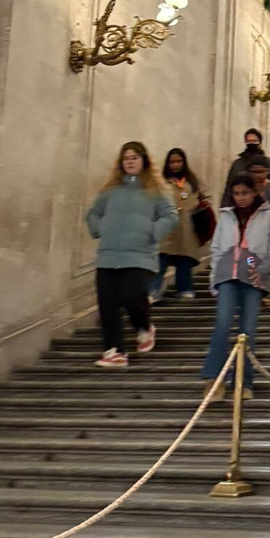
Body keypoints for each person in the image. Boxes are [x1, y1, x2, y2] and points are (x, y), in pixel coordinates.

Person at [86, 141, 178, 368]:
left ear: (144, 161)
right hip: (109, 256)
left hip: (140, 255)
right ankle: (114, 351)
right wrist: (100, 228)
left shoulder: (156, 191)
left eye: (134, 157)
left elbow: (170, 216)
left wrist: (153, 231)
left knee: (132, 295)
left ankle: (144, 327)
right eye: (126, 158)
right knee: (107, 304)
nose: (130, 162)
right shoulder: (110, 191)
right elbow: (93, 214)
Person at [200, 174, 270, 399]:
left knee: (247, 330)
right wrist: (213, 280)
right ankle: (214, 379)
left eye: (245, 193)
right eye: (236, 193)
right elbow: (217, 249)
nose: (240, 198)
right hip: (227, 275)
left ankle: (243, 381)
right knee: (222, 325)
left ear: (255, 192)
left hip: (252, 273)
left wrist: (263, 268)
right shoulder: (227, 216)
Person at [150, 148, 210, 303]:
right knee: (160, 261)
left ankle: (185, 289)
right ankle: (154, 291)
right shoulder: (162, 181)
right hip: (167, 228)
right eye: (172, 162)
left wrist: (200, 207)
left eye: (178, 161)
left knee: (184, 260)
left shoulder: (192, 180)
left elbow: (205, 197)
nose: (175, 165)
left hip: (187, 228)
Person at [222, 128, 270, 207]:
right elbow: (229, 188)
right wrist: (224, 207)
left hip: (262, 205)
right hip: (240, 205)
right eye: (249, 141)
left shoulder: (269, 163)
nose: (251, 143)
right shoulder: (237, 164)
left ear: (260, 142)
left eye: (254, 141)